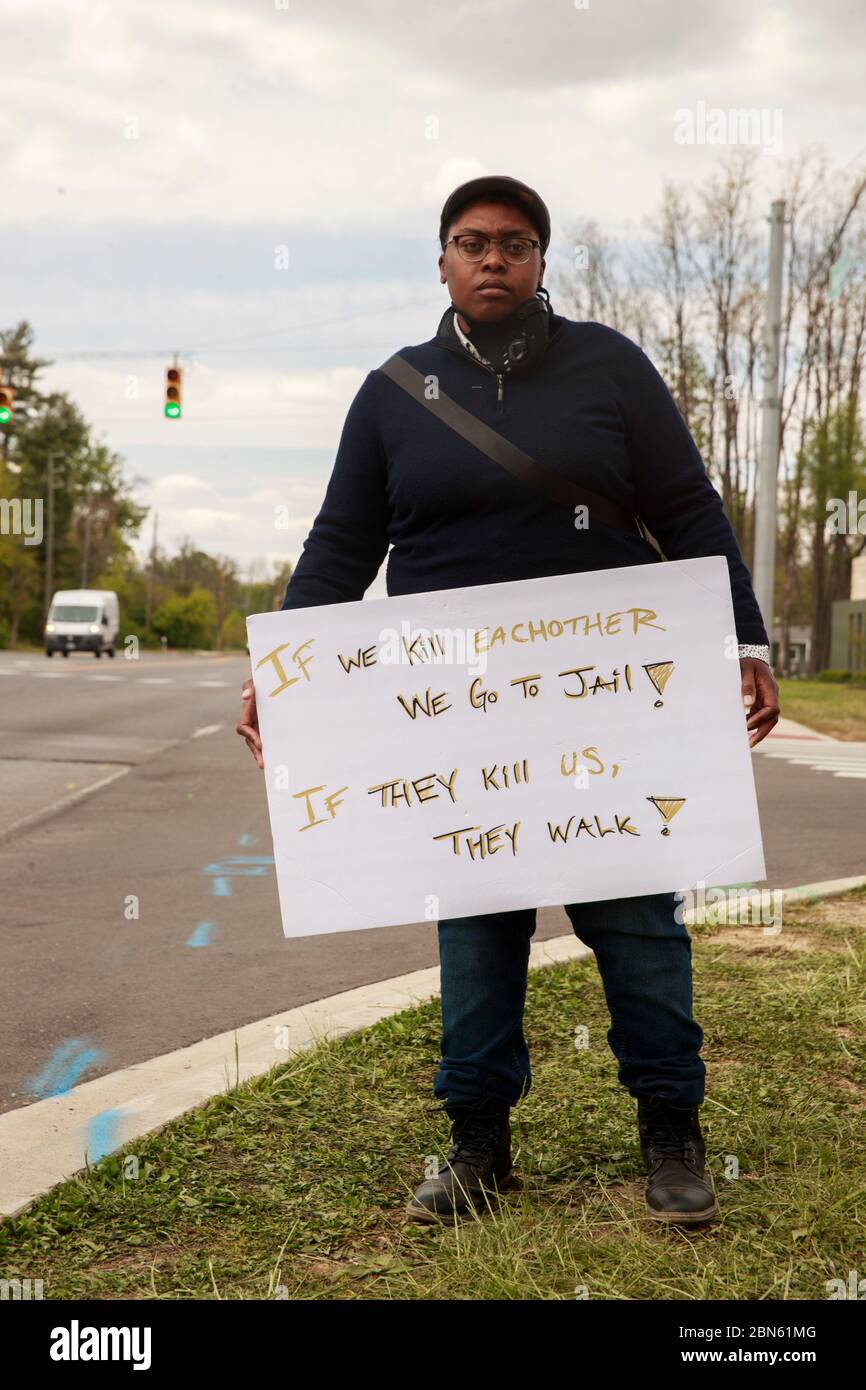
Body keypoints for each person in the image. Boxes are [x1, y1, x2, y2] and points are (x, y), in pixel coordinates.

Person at [236, 174, 780, 1227]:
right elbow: (342, 542)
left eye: (515, 244)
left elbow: (685, 507)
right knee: (476, 934)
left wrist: (740, 637)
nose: (493, 259)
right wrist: (281, 667)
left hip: (607, 704)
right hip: (451, 718)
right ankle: (477, 1144)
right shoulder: (395, 390)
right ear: (440, 261)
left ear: (540, 261)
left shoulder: (608, 368)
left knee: (636, 922)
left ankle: (670, 1129)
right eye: (471, 242)